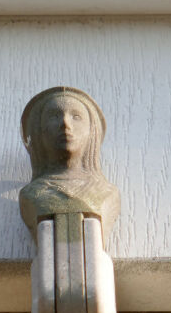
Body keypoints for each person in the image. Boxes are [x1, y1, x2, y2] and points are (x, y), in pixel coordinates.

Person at [19, 86, 120, 242]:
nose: (65, 123)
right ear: (38, 132)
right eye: (53, 116)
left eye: (76, 116)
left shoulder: (106, 192)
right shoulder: (32, 194)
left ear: (92, 131)